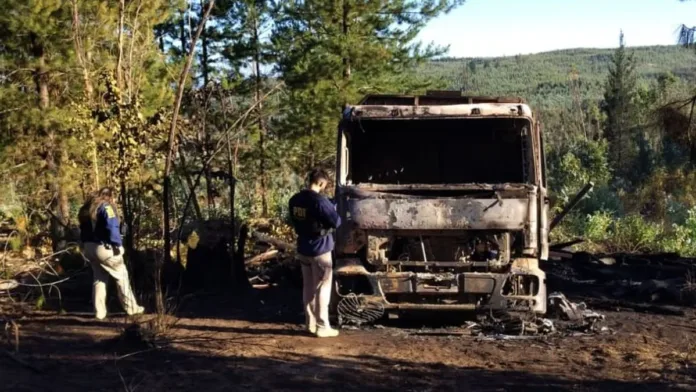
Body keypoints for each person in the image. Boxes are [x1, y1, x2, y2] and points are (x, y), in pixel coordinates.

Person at [288, 168, 342, 338]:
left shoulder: (294, 199)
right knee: (322, 287)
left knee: (308, 287)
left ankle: (309, 324)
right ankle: (322, 326)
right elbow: (336, 222)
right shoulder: (320, 200)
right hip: (320, 249)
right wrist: (333, 207)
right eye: (325, 184)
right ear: (321, 182)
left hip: (303, 248)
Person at [78, 187, 144, 320]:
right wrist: (117, 245)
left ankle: (100, 312)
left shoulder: (87, 208)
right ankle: (131, 308)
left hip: (89, 247)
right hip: (104, 248)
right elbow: (111, 226)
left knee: (99, 278)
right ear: (109, 196)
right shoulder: (106, 207)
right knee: (121, 275)